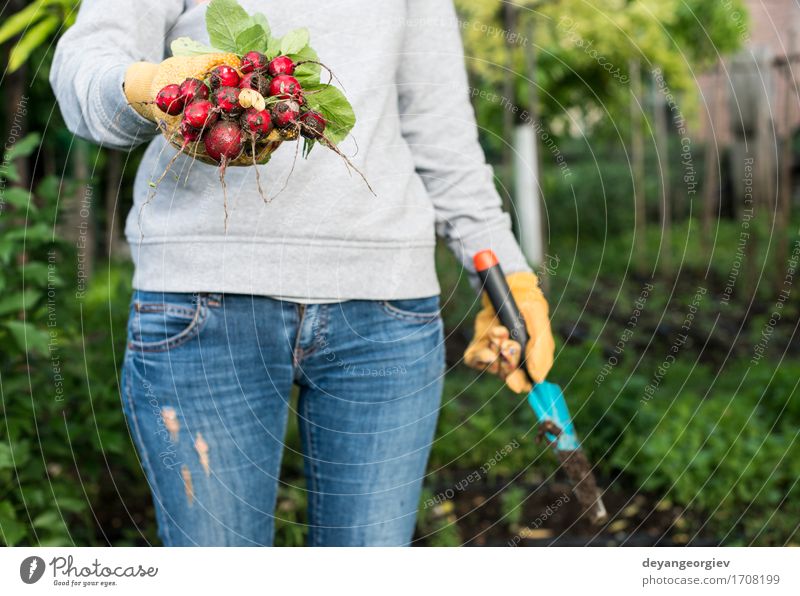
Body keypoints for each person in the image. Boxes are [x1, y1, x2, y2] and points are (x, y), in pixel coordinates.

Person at [51, 0, 555, 546]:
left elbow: (443, 137)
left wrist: (510, 277)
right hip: (203, 303)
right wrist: (149, 87)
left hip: (385, 313)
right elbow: (83, 66)